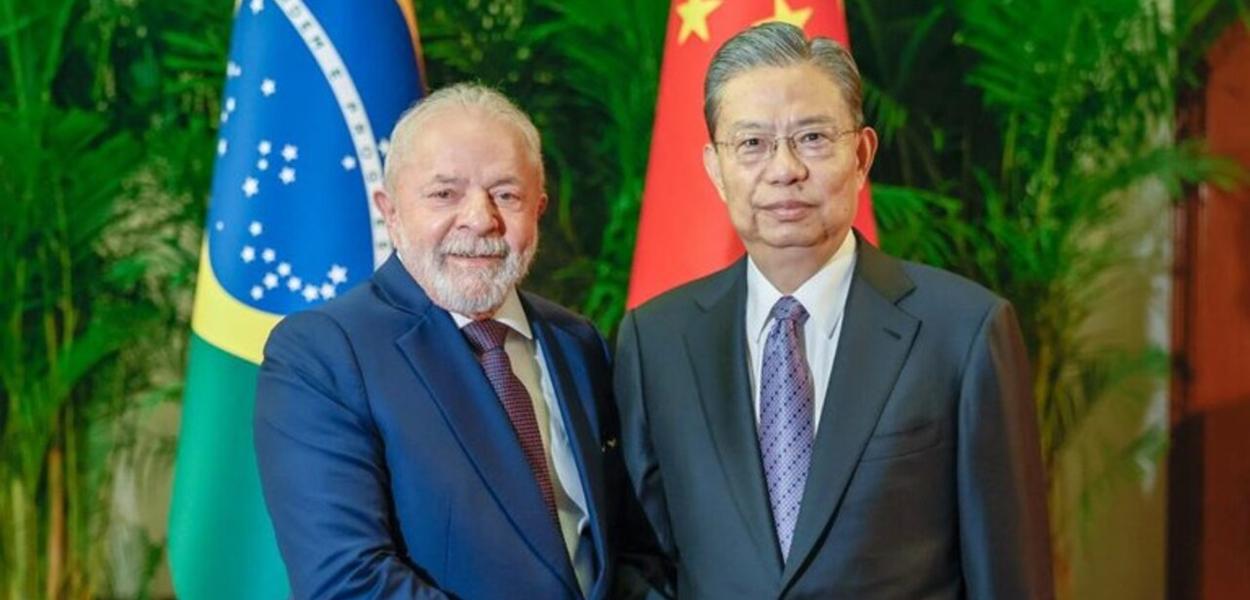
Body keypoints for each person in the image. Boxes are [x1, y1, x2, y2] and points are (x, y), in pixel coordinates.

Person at [614, 22, 1054, 599]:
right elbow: (641, 563)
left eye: (813, 138)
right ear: (715, 169)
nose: (784, 169)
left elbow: (1009, 579)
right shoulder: (656, 340)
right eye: (752, 144)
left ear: (862, 154)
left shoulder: (964, 333)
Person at [255, 83, 634, 599]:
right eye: (444, 194)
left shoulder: (579, 343)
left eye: (506, 194)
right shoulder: (323, 353)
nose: (480, 219)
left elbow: (628, 545)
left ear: (539, 209)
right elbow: (347, 581)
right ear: (390, 211)